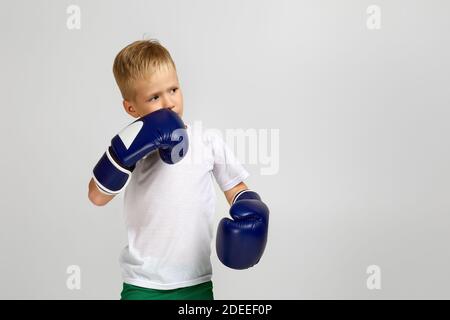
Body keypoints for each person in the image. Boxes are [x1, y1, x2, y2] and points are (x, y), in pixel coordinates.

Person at [88, 39, 269, 300]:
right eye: (154, 97)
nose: (169, 103)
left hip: (195, 282)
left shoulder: (207, 141)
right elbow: (97, 196)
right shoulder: (134, 151)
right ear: (131, 108)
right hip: (142, 284)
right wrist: (122, 156)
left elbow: (236, 189)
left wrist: (251, 212)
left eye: (173, 89)